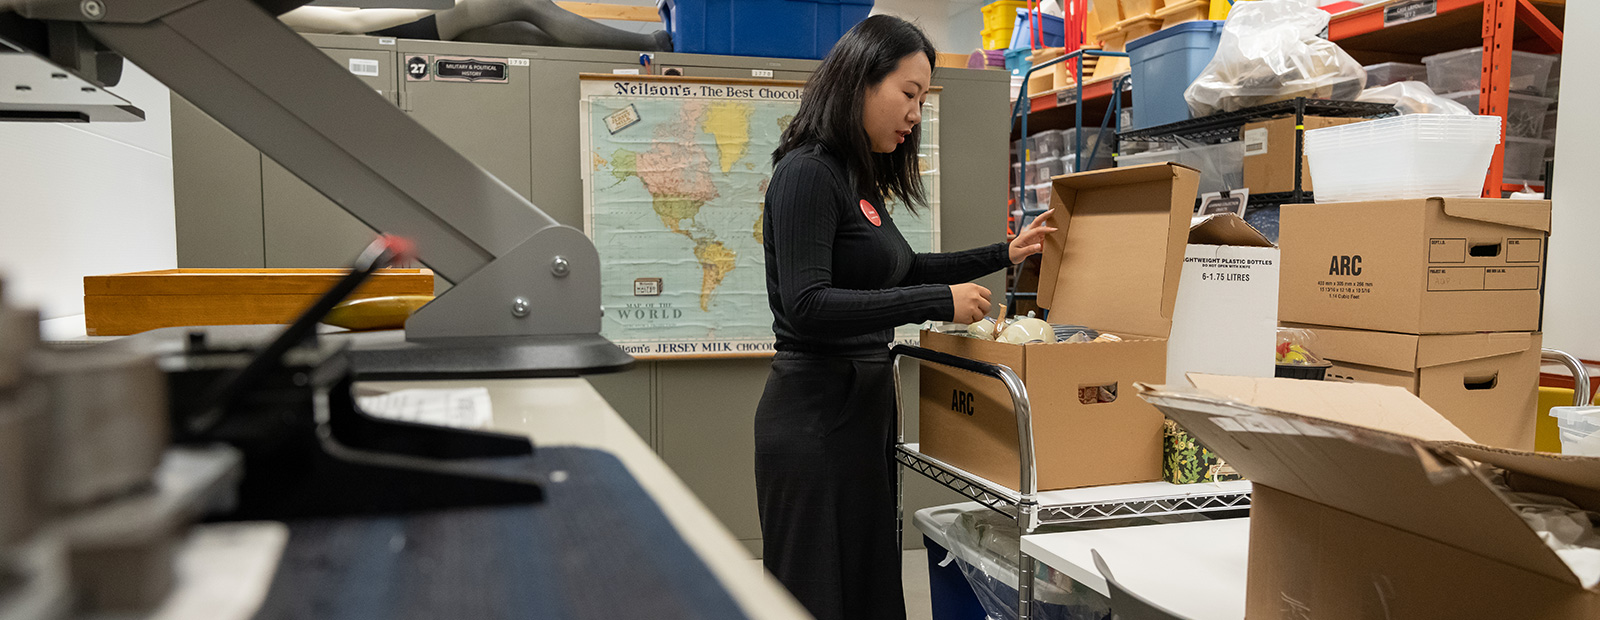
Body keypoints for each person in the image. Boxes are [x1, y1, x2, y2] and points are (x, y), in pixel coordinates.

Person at [756, 15, 1056, 620]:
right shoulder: (806, 174)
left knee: (868, 585)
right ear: (861, 81)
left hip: (861, 412)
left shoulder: (855, 181)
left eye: (922, 97)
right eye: (909, 93)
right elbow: (807, 305)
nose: (917, 112)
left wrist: (1006, 252)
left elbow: (905, 265)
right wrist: (936, 302)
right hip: (814, 417)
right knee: (815, 594)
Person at [279, 0, 672, 51]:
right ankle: (652, 44)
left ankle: (644, 49)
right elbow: (353, 22)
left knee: (523, 36)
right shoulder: (252, 11)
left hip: (408, 25)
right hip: (406, 29)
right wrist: (430, 12)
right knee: (526, 2)